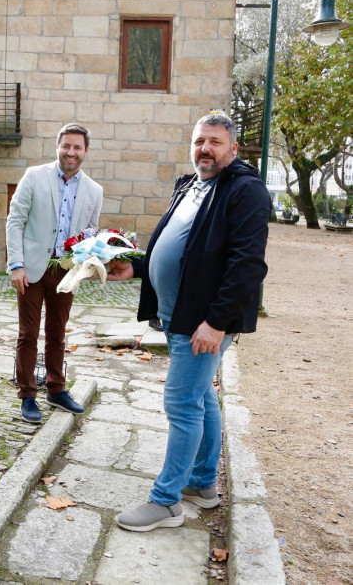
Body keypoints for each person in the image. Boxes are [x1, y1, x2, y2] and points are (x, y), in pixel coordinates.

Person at [108, 113, 270, 531]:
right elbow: (185, 248)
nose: (206, 149)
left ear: (233, 149)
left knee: (181, 403)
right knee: (198, 399)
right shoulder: (191, 184)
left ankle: (165, 502)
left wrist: (216, 323)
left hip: (204, 319)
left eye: (215, 142)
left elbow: (247, 265)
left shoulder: (245, 191)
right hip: (177, 312)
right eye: (200, 140)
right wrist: (139, 267)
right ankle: (201, 484)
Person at [5, 123, 103, 423]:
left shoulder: (94, 191)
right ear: (57, 147)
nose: (70, 152)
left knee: (58, 334)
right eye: (66, 146)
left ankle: (57, 389)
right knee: (28, 334)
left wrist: (90, 264)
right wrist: (16, 265)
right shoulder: (34, 176)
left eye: (77, 147)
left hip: (66, 272)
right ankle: (27, 395)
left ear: (85, 152)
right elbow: (15, 221)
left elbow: (90, 235)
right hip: (32, 269)